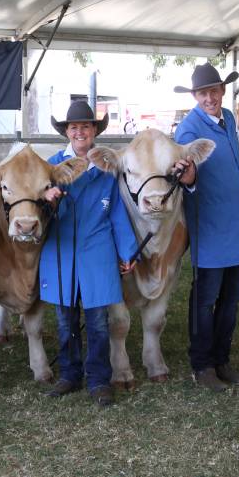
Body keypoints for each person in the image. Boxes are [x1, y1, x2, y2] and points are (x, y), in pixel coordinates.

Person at [39, 100, 138, 407]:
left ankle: (98, 379)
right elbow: (32, 203)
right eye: (74, 127)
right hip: (62, 249)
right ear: (66, 132)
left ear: (94, 131)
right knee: (65, 319)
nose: (79, 132)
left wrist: (127, 251)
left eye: (85, 126)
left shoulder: (108, 168)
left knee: (96, 320)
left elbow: (118, 213)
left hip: (97, 250)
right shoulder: (51, 166)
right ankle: (69, 374)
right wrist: (45, 196)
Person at [172, 65, 239, 392]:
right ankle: (202, 364)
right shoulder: (188, 130)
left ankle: (222, 359)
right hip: (209, 227)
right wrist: (189, 179)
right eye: (203, 93)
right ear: (195, 97)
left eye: (215, 90)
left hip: (236, 224)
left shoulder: (228, 116)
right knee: (205, 299)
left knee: (231, 298)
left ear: (222, 91)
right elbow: (182, 178)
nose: (210, 98)